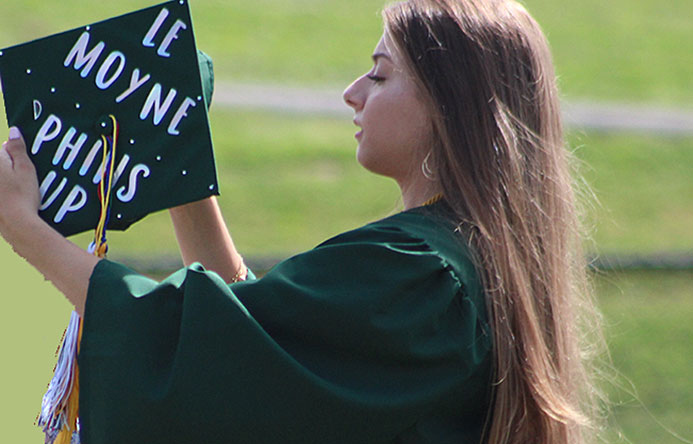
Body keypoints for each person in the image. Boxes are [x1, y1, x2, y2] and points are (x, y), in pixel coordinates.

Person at [0, 0, 605, 442]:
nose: (352, 92)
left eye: (380, 72)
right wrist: (178, 165)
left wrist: (24, 229)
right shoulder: (456, 262)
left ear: (450, 108)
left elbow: (212, 361)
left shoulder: (422, 276)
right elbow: (258, 343)